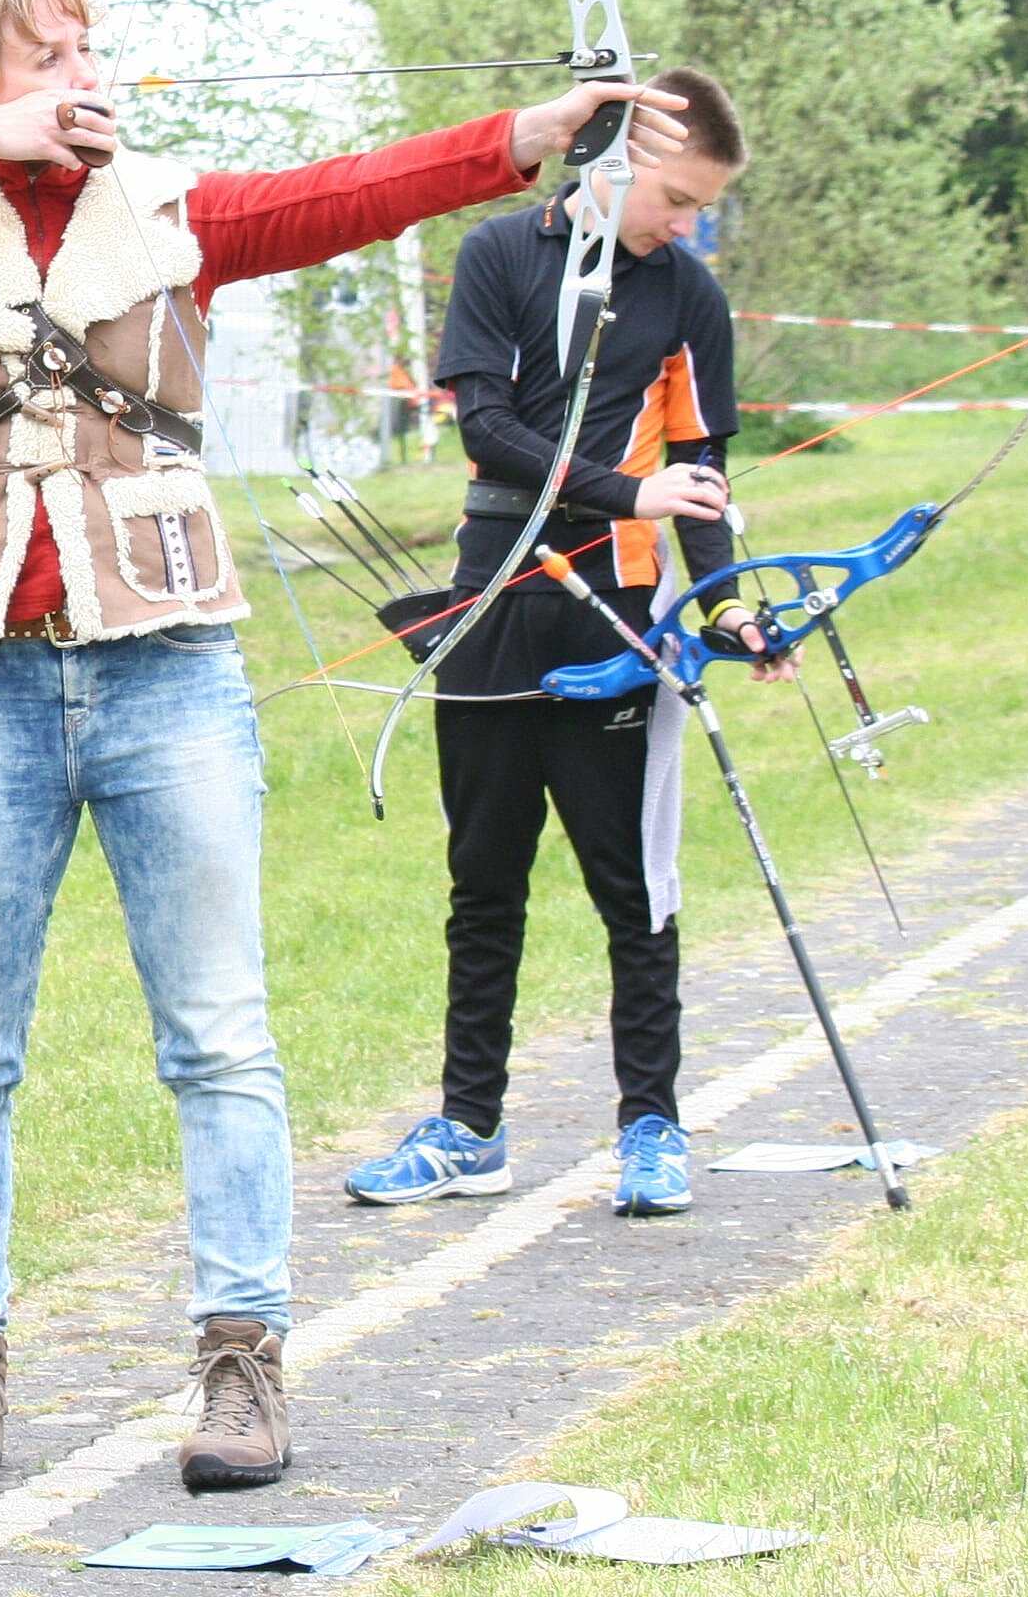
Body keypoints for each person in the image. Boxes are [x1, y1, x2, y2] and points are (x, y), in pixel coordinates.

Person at [0, 0, 689, 1494]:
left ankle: (243, 1369)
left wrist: (521, 138)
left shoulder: (170, 210)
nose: (88, 77)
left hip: (166, 673)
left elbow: (351, 196)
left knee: (220, 1039)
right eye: (51, 57)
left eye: (89, 51)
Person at [346, 66, 784, 1224]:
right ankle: (469, 1129)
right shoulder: (499, 254)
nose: (688, 227)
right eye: (679, 200)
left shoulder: (687, 294)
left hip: (619, 616)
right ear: (621, 156)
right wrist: (628, 493)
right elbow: (488, 430)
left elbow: (701, 474)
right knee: (483, 883)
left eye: (702, 210)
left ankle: (651, 1126)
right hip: (492, 602)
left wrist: (727, 606)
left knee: (633, 889)